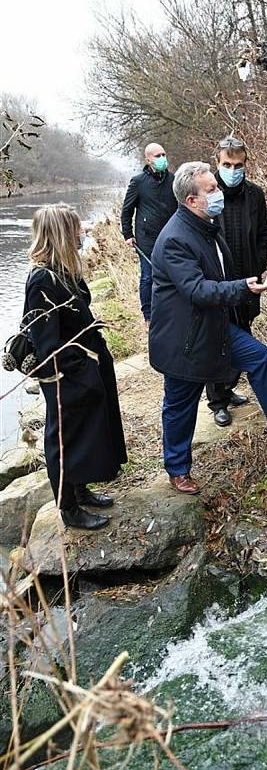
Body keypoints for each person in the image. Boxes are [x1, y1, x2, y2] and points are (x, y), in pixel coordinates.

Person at [149, 162, 267, 495]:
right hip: (182, 339)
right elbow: (198, 290)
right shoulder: (174, 239)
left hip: (212, 326)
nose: (218, 193)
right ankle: (177, 468)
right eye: (211, 189)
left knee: (259, 356)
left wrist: (244, 285)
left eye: (216, 186)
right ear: (191, 200)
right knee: (180, 404)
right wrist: (243, 288)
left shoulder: (206, 226)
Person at [25, 204, 127, 528]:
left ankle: (80, 489)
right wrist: (79, 369)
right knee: (64, 439)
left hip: (82, 368)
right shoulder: (42, 280)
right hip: (64, 375)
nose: (83, 233)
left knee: (84, 433)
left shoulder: (63, 271)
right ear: (61, 233)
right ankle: (67, 508)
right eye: (77, 229)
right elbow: (46, 341)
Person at [206, 136, 267, 427]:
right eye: (227, 164)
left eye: (238, 164)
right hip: (218, 283)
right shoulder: (209, 193)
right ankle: (217, 400)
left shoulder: (254, 195)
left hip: (247, 281)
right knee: (218, 339)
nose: (233, 169)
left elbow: (261, 236)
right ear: (216, 164)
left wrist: (258, 270)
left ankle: (229, 387)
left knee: (243, 331)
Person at [120, 143, 178, 327]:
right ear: (148, 160)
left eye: (164, 154)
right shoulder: (138, 182)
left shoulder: (173, 180)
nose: (162, 158)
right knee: (148, 276)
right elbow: (126, 210)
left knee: (172, 274)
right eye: (157, 156)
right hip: (146, 239)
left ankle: (170, 310)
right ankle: (148, 315)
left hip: (170, 236)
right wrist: (127, 234)